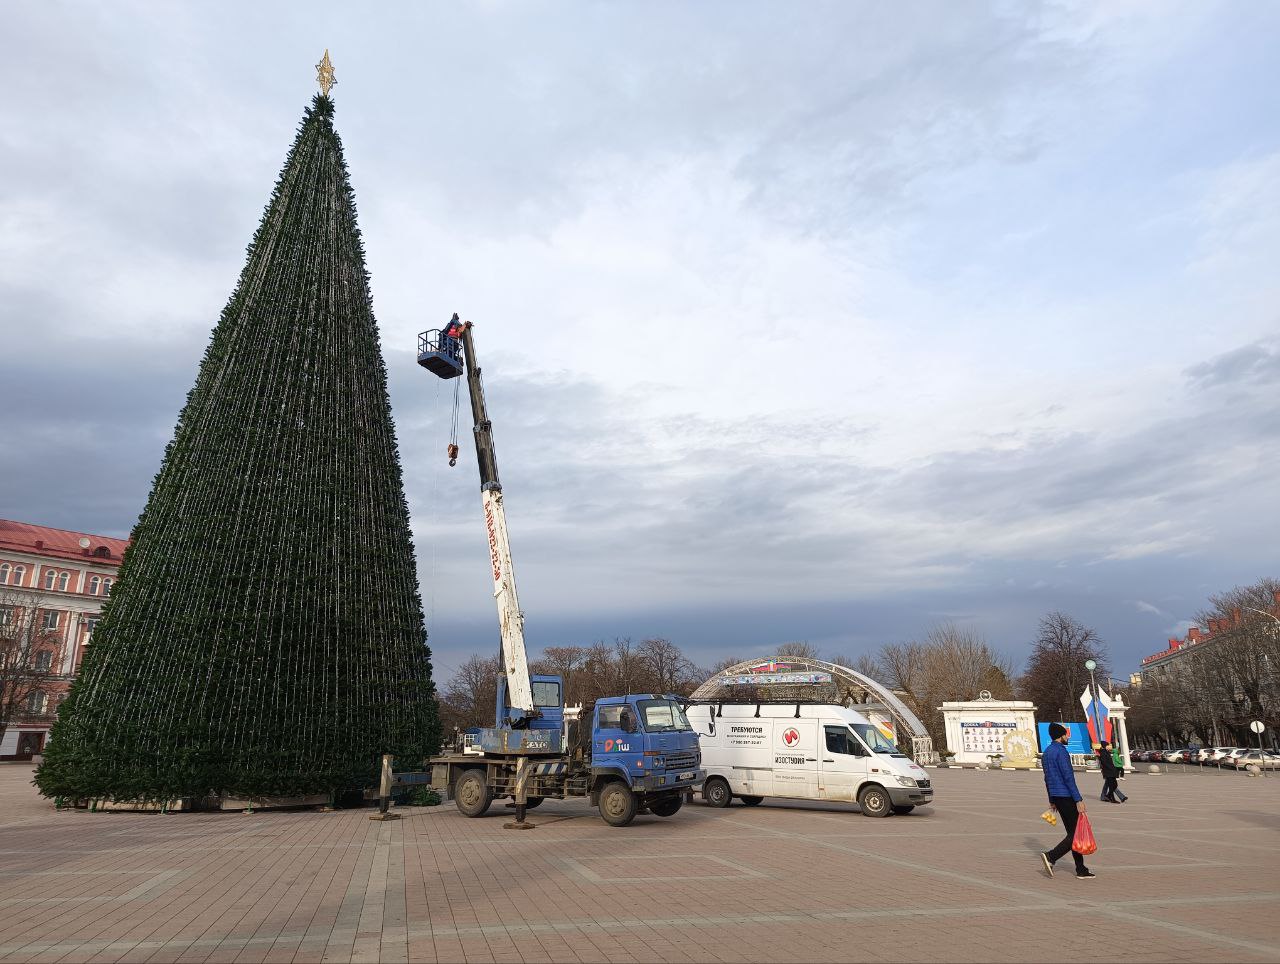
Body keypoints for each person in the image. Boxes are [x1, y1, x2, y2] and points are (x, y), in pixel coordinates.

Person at [1040, 722, 1096, 879]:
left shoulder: (1047, 753)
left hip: (1057, 797)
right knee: (1075, 834)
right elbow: (1068, 777)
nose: (1067, 737)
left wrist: (1051, 799)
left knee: (1073, 832)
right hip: (1066, 796)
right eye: (1066, 735)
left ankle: (1081, 869)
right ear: (1061, 736)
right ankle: (1051, 856)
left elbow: (1047, 778)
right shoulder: (1061, 752)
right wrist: (1078, 799)